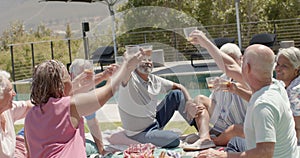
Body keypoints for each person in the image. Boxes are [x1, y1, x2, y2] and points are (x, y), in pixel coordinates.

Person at [190, 30, 299, 157]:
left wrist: (223, 156)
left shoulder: (263, 106)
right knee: (235, 143)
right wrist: (236, 90)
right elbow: (229, 66)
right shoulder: (276, 86)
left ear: (247, 68)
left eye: (242, 63)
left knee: (228, 149)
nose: (238, 66)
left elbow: (264, 153)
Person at [24, 51, 145, 158]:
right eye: (68, 79)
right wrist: (126, 65)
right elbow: (108, 91)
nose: (72, 83)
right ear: (60, 84)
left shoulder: (30, 117)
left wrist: (102, 76)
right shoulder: (68, 106)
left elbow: (30, 154)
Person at [117, 48, 215, 149]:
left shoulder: (153, 79)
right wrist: (128, 59)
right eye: (143, 60)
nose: (147, 62)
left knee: (176, 95)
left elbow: (180, 87)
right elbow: (126, 68)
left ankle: (203, 133)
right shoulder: (129, 79)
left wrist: (189, 103)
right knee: (174, 139)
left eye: (149, 60)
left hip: (154, 122)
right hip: (140, 133)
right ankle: (170, 136)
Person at [188, 43, 248, 146]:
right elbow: (212, 103)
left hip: (240, 125)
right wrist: (192, 105)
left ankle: (214, 139)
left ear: (241, 59)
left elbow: (252, 90)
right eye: (223, 61)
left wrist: (232, 86)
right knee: (199, 99)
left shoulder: (247, 77)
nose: (227, 65)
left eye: (231, 60)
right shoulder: (222, 78)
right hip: (224, 121)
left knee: (235, 130)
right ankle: (204, 137)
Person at [69, 59, 116, 156]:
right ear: (71, 76)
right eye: (83, 77)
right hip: (63, 146)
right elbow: (71, 91)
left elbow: (92, 123)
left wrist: (101, 149)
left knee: (94, 148)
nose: (87, 82)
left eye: (89, 78)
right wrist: (105, 77)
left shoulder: (83, 96)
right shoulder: (62, 94)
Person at [0, 70, 33, 158]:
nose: (14, 94)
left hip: (17, 147)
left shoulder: (8, 109)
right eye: (10, 90)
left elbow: (28, 106)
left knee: (33, 123)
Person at [275, 47, 300, 144]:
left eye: (284, 66)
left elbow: (298, 127)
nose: (278, 69)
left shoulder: (296, 91)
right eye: (277, 64)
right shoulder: (281, 85)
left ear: (296, 69)